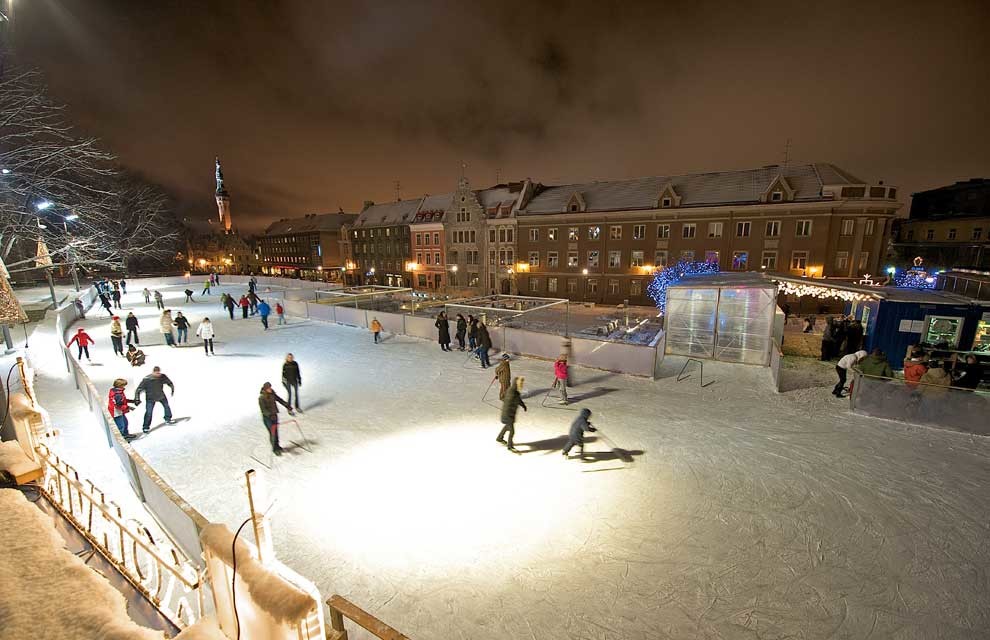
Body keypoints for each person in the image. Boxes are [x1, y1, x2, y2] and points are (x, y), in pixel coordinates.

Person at [135, 366, 175, 433]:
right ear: (153, 372)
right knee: (149, 412)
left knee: (166, 406)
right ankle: (145, 427)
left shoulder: (162, 376)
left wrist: (172, 388)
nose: (158, 375)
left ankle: (168, 419)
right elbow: (138, 389)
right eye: (156, 373)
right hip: (150, 398)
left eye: (159, 373)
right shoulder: (147, 379)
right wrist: (137, 398)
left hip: (161, 395)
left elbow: (169, 382)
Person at [259, 382, 294, 456]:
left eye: (270, 387)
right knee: (273, 433)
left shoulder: (272, 394)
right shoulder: (261, 398)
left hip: (274, 416)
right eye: (268, 388)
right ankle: (275, 449)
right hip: (267, 418)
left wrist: (287, 406)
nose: (270, 389)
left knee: (276, 432)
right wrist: (269, 415)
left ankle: (277, 446)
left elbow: (280, 400)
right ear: (265, 389)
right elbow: (263, 410)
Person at [496, 377, 526, 452]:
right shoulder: (512, 392)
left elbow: (518, 400)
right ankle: (510, 446)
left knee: (507, 427)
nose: (522, 385)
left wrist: (523, 406)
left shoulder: (514, 392)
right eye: (521, 384)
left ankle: (499, 438)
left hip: (510, 414)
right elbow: (509, 402)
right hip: (508, 414)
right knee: (512, 431)